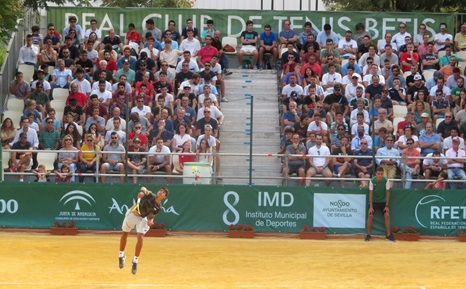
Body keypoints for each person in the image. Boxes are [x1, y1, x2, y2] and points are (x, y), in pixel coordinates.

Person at [119, 186, 169, 275]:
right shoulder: (150, 195)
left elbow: (152, 216)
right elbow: (144, 188)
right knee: (125, 234)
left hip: (142, 219)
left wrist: (150, 220)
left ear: (164, 197)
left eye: (164, 192)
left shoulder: (158, 208)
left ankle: (135, 261)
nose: (161, 192)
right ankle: (121, 255)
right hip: (131, 215)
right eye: (160, 190)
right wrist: (142, 192)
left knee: (141, 238)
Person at [365, 167, 395, 242]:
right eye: (378, 174)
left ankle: (388, 235)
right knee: (370, 215)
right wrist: (371, 207)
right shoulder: (372, 181)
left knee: (387, 215)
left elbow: (388, 193)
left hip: (383, 202)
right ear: (376, 173)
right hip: (374, 202)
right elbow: (370, 193)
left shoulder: (386, 180)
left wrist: (387, 206)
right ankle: (368, 235)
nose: (380, 175)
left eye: (381, 174)